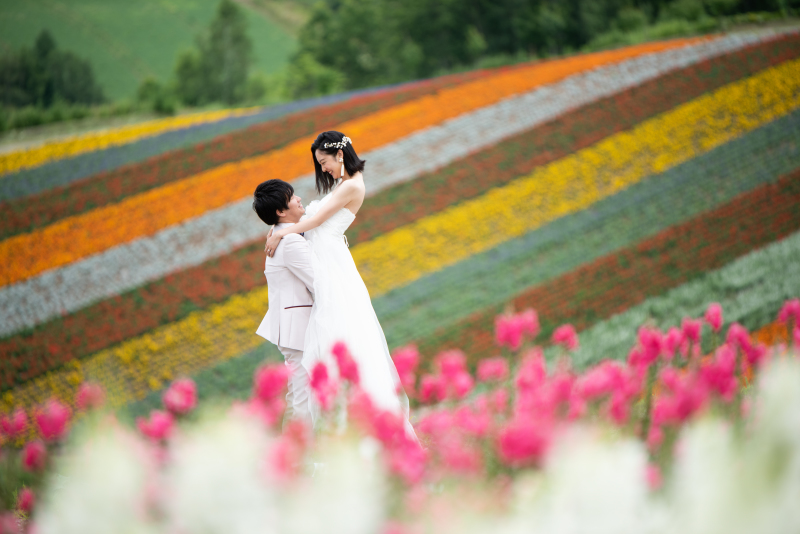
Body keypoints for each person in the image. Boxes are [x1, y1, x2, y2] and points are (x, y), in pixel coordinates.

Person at [264, 131, 414, 437]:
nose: (323, 169)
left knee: (339, 333)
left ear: (340, 155)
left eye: (324, 162)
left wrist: (282, 232)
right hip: (326, 258)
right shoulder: (343, 184)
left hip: (331, 263)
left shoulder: (353, 185)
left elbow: (316, 222)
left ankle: (352, 425)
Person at [252, 179, 317, 430]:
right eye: (292, 197)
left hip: (292, 327)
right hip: (298, 328)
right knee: (302, 395)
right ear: (280, 211)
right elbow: (318, 282)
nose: (299, 199)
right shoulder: (289, 242)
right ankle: (296, 448)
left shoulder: (281, 235)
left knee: (300, 393)